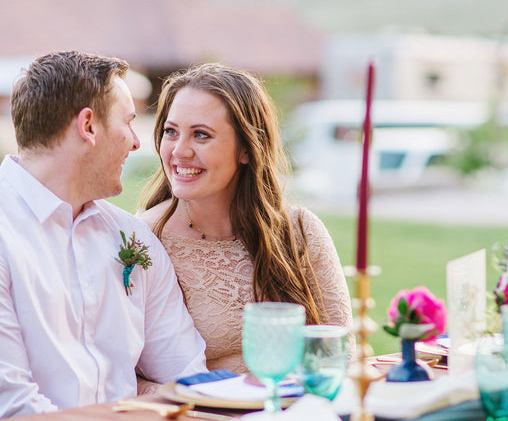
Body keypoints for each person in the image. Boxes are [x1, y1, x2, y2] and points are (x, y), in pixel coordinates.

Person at [0, 51, 207, 418]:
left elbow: (189, 379)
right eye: (128, 122)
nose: (136, 142)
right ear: (88, 126)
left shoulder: (133, 236)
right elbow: (15, 409)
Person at [138, 63, 354, 373]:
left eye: (201, 135)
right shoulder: (144, 240)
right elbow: (124, 380)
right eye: (171, 132)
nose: (179, 151)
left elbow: (340, 358)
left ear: (247, 149)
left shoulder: (300, 231)